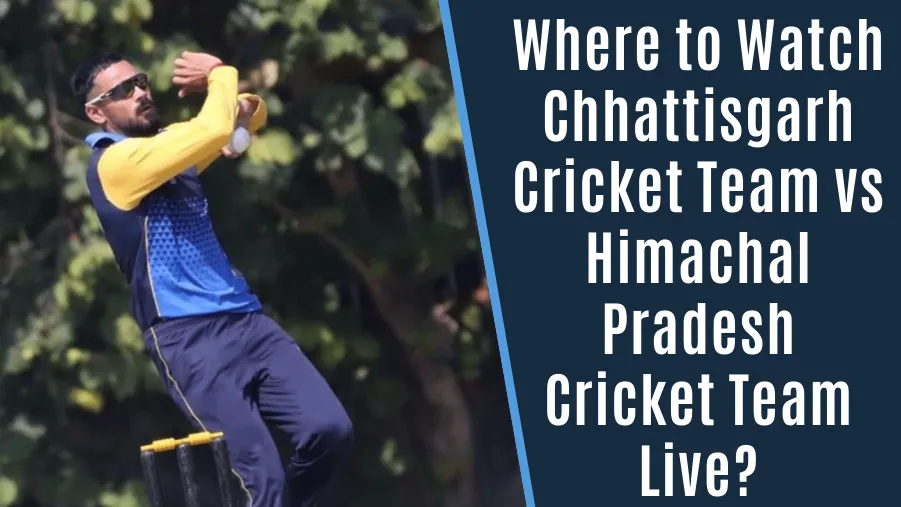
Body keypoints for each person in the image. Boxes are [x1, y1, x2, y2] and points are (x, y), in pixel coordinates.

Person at [70, 51, 353, 507]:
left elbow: (249, 117)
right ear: (97, 113)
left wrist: (240, 110)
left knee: (330, 430)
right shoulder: (114, 164)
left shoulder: (168, 148)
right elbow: (214, 131)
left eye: (140, 81)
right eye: (122, 90)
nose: (140, 92)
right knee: (262, 480)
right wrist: (220, 75)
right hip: (188, 339)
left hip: (248, 322)